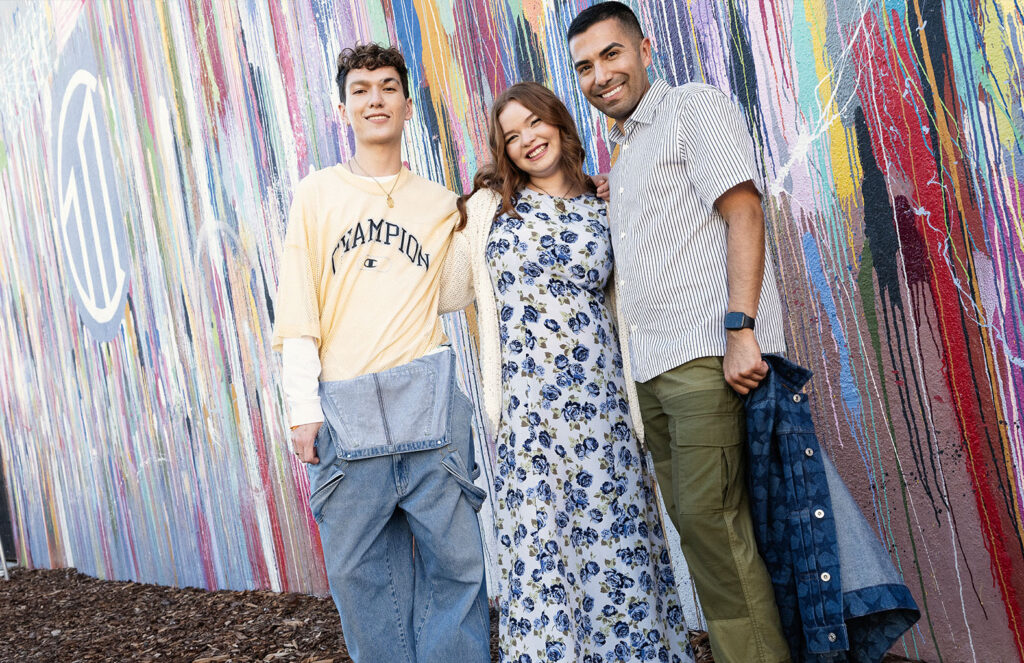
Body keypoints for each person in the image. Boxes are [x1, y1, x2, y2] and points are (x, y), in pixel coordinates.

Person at [567, 3, 792, 663]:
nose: (601, 75)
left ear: (644, 47)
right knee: (702, 530)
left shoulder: (692, 107)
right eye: (585, 66)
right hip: (653, 371)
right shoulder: (630, 147)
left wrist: (741, 328)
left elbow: (743, 210)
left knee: (710, 523)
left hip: (705, 355)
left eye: (612, 54)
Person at [450, 81, 694, 663]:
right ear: (502, 150)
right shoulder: (488, 210)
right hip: (529, 418)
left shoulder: (604, 201)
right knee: (542, 560)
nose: (528, 140)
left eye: (535, 124)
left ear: (558, 122)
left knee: (618, 551)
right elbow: (440, 287)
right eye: (512, 136)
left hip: (604, 410)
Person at [271, 43, 490, 663]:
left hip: (428, 407)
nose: (376, 98)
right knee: (361, 580)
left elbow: (475, 271)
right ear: (343, 109)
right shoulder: (318, 195)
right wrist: (300, 408)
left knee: (458, 571)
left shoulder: (441, 203)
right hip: (344, 414)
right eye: (362, 89)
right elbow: (297, 310)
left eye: (388, 87)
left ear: (407, 104)